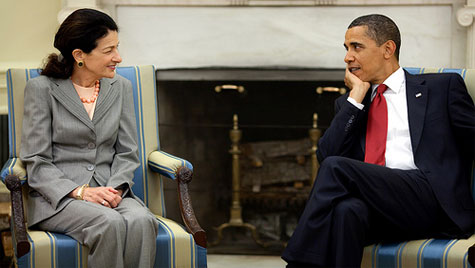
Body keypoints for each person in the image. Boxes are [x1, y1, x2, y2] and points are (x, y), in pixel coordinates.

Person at [282, 14, 475, 267]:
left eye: (356, 47)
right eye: (346, 48)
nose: (347, 57)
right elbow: (326, 156)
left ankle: (297, 262)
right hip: (381, 209)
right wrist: (356, 99)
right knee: (346, 212)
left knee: (337, 168)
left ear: (388, 49)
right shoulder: (350, 104)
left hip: (430, 201)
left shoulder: (441, 88)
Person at [20, 8, 158, 268]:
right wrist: (81, 192)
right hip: (59, 199)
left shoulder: (121, 88)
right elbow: (36, 159)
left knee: (142, 221)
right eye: (108, 50)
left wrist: (115, 190)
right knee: (109, 222)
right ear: (79, 55)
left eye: (117, 47)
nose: (118, 57)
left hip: (110, 190)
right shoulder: (42, 89)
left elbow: (128, 151)